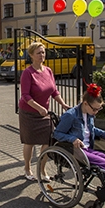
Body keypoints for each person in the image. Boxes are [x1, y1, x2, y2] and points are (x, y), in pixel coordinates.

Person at [19, 42, 71, 181]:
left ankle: (42, 169)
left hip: (44, 114)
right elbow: (25, 95)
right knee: (29, 142)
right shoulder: (27, 73)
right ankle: (27, 168)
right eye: (38, 53)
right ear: (31, 55)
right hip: (29, 113)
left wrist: (64, 104)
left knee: (48, 142)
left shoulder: (48, 71)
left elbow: (54, 91)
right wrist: (39, 108)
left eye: (43, 52)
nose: (42, 55)